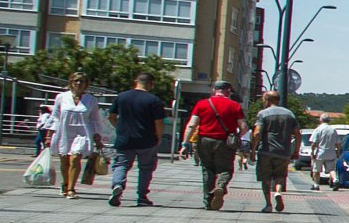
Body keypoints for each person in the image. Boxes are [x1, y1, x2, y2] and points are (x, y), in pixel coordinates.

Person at [180, 80, 247, 210]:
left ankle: (208, 201)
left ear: (214, 90)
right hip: (225, 142)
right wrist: (237, 136)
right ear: (228, 91)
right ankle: (220, 187)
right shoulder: (235, 106)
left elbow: (192, 125)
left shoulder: (202, 104)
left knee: (207, 170)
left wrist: (185, 144)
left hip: (204, 140)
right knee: (225, 169)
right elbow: (244, 127)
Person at [107, 72, 166, 207]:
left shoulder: (122, 97)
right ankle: (142, 196)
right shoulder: (154, 100)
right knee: (146, 168)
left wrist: (119, 127)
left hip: (124, 139)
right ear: (151, 84)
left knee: (121, 164)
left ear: (136, 81)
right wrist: (159, 136)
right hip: (147, 140)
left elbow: (111, 116)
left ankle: (118, 185)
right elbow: (159, 122)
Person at [46, 71, 104, 199]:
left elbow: (95, 119)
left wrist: (97, 136)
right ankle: (65, 184)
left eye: (81, 81)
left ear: (86, 84)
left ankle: (71, 188)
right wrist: (49, 135)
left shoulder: (91, 100)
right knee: (64, 161)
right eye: (75, 81)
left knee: (75, 159)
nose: (78, 83)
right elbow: (55, 117)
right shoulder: (61, 97)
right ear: (71, 82)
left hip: (82, 132)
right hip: (64, 132)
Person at [250, 90, 300, 213]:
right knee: (280, 176)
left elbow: (257, 133)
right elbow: (298, 134)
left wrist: (252, 150)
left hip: (266, 151)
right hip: (284, 152)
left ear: (267, 100)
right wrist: (296, 151)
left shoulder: (263, 114)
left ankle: (268, 204)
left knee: (265, 178)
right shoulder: (290, 114)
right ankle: (277, 192)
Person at [309, 113, 340, 191]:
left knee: (316, 170)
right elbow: (338, 143)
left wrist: (312, 152)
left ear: (320, 120)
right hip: (331, 153)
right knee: (331, 169)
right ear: (329, 120)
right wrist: (338, 152)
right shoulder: (333, 130)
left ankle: (316, 185)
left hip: (319, 153)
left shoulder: (318, 129)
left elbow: (313, 143)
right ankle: (335, 180)